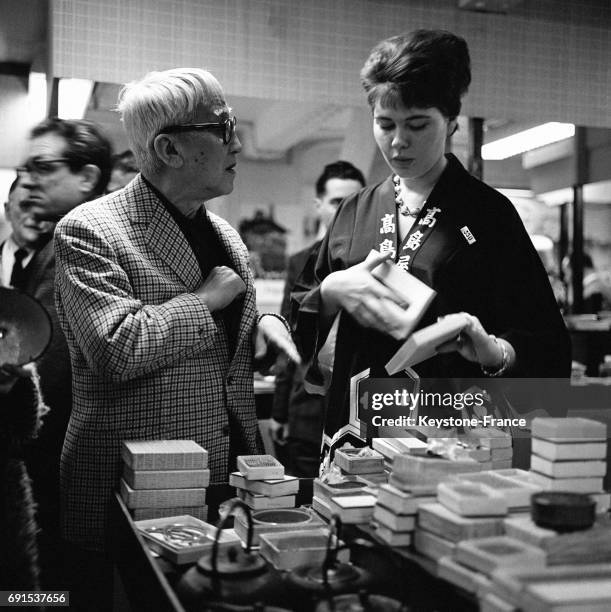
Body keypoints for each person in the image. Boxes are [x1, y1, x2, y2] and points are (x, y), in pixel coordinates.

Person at [52, 69, 298, 573]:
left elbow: (221, 337)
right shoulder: (89, 229)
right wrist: (205, 301)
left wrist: (263, 322)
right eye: (223, 126)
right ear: (169, 149)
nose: (239, 141)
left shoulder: (224, 232)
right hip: (133, 484)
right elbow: (116, 348)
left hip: (220, 472)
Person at [292, 30, 571, 463]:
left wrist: (495, 351)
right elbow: (301, 309)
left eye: (417, 124)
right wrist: (328, 293)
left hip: (450, 436)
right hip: (354, 433)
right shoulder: (353, 211)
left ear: (452, 122)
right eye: (385, 125)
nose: (398, 142)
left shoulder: (489, 215)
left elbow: (546, 339)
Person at [13, 118, 112, 594]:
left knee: (50, 586)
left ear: (87, 178)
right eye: (24, 168)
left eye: (43, 167)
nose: (28, 179)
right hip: (59, 463)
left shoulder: (76, 243)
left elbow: (47, 373)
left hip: (59, 464)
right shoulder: (53, 244)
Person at [270, 161, 365, 477]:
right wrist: (280, 412)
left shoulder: (378, 263)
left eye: (354, 202)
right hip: (308, 407)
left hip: (362, 408)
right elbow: (289, 338)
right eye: (338, 202)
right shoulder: (301, 262)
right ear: (319, 205)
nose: (345, 210)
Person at [1, 177, 55, 289]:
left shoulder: (60, 269)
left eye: (44, 209)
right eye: (25, 206)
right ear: (8, 211)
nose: (35, 217)